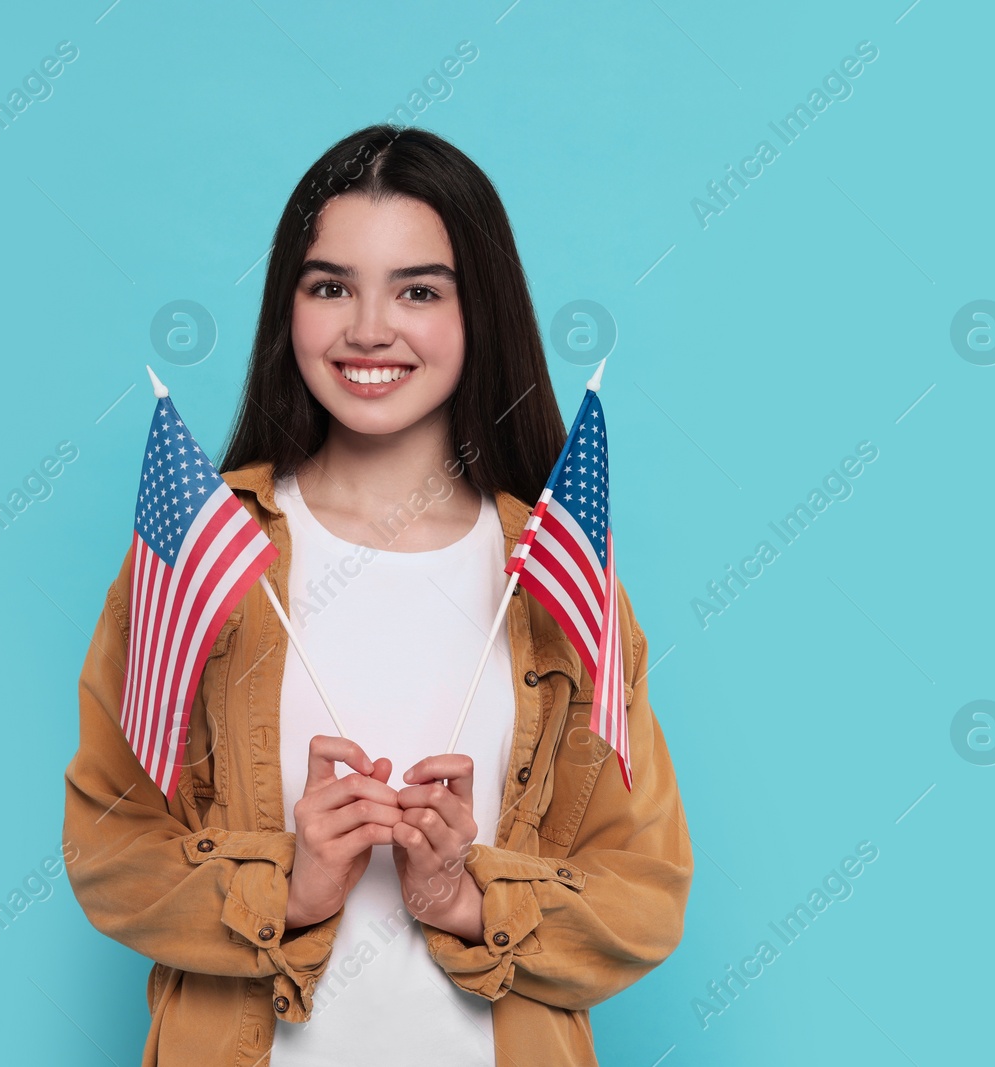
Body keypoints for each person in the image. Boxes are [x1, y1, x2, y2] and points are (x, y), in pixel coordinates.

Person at [63, 124, 693, 1067]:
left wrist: (464, 898)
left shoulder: (559, 574)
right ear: (290, 309)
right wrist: (288, 886)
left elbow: (645, 889)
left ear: (479, 311)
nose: (368, 328)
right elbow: (107, 846)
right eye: (330, 287)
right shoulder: (203, 555)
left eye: (418, 291)